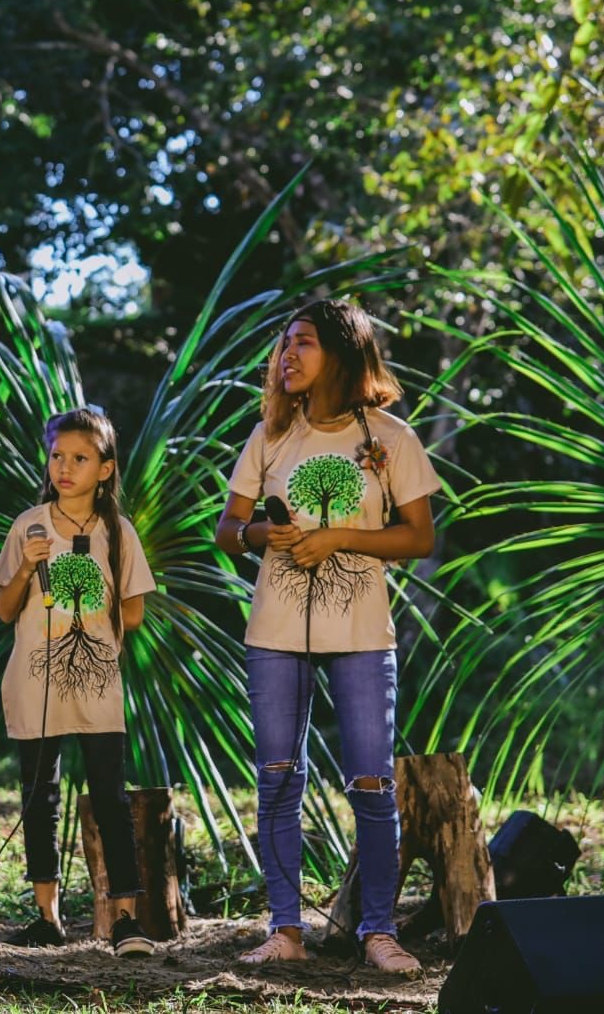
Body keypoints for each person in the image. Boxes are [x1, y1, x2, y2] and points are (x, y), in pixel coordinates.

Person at [215, 299, 438, 973]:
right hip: (275, 631)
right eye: (284, 344)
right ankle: (284, 929)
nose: (287, 355)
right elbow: (228, 531)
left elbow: (419, 537)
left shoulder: (390, 438)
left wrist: (338, 537)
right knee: (278, 778)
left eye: (303, 343)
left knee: (371, 781)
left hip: (363, 633)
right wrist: (263, 533)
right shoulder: (269, 435)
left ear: (342, 352)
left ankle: (379, 932)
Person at [0, 408, 157, 956]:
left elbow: (133, 614)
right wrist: (25, 568)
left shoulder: (118, 532)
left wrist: (89, 617)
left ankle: (125, 918)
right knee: (39, 796)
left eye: (80, 458)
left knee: (109, 795)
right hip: (34, 681)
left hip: (96, 684)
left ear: (105, 469)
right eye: (57, 456)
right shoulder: (29, 525)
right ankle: (47, 916)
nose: (64, 467)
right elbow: (4, 609)